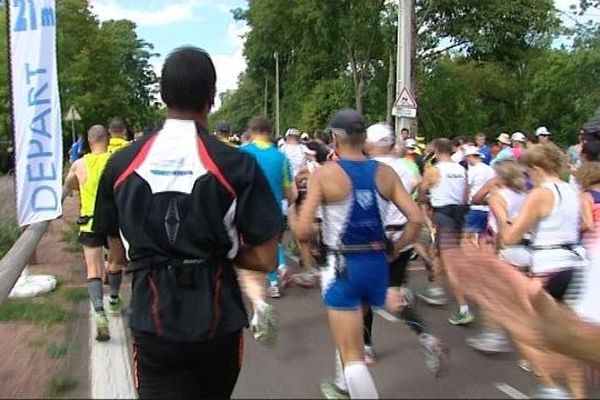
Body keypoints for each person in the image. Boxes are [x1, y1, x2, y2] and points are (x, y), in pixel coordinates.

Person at [92, 47, 283, 399]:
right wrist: (225, 252)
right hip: (218, 320)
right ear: (211, 98)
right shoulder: (237, 164)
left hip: (153, 319)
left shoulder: (120, 164)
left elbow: (115, 252)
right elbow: (267, 258)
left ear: (162, 96)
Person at [289, 110, 422, 399]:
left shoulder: (325, 174)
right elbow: (416, 218)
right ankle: (341, 385)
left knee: (353, 358)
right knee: (355, 348)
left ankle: (347, 386)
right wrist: (396, 249)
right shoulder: (385, 173)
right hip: (376, 263)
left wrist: (293, 215)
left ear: (335, 139)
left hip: (342, 265)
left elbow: (302, 232)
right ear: (363, 139)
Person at [499, 143, 586, 399]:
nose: (527, 177)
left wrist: (502, 215)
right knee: (568, 340)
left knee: (519, 326)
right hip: (575, 265)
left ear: (536, 168)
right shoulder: (572, 190)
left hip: (549, 269)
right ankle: (578, 395)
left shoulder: (540, 193)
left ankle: (551, 387)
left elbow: (510, 237)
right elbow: (580, 224)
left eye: (528, 172)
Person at [364, 123, 448, 376]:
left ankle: (366, 347)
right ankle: (425, 337)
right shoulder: (408, 166)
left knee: (363, 298)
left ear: (371, 144)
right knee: (392, 294)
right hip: (403, 235)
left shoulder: (368, 169)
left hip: (375, 237)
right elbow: (418, 188)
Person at [65, 125, 125, 341]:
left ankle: (100, 315)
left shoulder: (80, 164)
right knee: (116, 263)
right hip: (113, 220)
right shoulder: (116, 161)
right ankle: (115, 300)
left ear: (89, 142)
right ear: (107, 139)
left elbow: (69, 184)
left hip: (89, 221)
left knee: (93, 268)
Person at [418, 139, 473, 325]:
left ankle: (464, 308)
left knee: (451, 263)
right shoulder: (461, 169)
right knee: (438, 251)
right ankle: (435, 288)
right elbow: (466, 196)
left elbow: (421, 191)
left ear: (436, 151)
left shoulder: (434, 169)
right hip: (459, 214)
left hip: (444, 215)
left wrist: (425, 202)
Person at [464, 146, 496, 247]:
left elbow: (466, 187)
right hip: (489, 207)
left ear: (470, 157)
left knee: (468, 237)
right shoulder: (490, 169)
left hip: (475, 207)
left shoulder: (473, 171)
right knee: (484, 238)